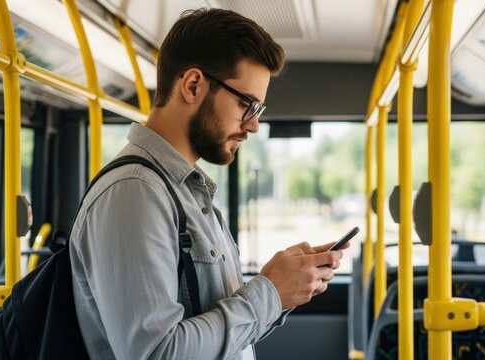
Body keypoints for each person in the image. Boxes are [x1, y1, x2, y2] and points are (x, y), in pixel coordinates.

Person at [69, 8, 348, 360]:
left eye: (258, 111)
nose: (253, 126)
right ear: (193, 85)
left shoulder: (186, 191)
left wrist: (284, 289)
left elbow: (219, 332)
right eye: (247, 104)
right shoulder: (134, 192)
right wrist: (270, 292)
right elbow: (156, 353)